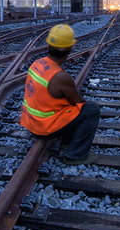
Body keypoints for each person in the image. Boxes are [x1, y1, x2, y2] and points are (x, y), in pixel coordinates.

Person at [20, 24, 101, 165]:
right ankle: (75, 155)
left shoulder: (37, 63)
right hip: (44, 128)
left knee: (68, 106)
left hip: (31, 123)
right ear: (69, 49)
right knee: (91, 110)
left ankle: (66, 141)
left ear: (48, 45)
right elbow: (78, 102)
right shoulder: (60, 76)